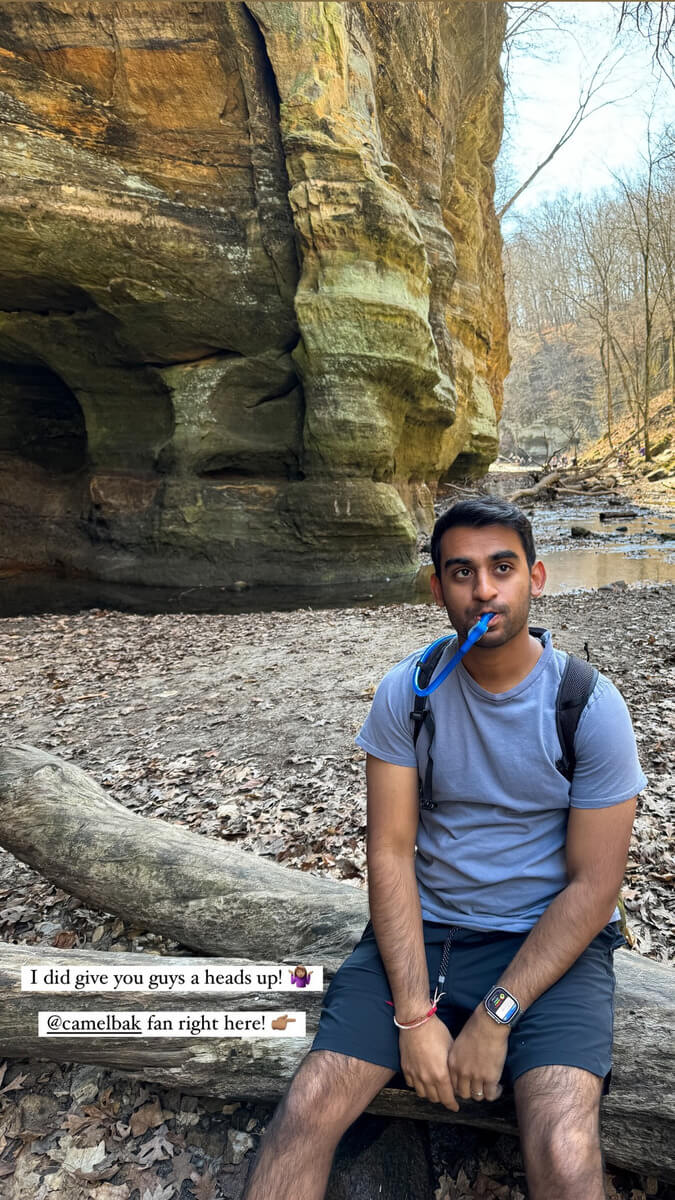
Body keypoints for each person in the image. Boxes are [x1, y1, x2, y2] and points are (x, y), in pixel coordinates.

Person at [242, 497, 646, 1200]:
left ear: (536, 577)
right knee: (306, 1111)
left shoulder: (587, 704)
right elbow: (390, 853)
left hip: (548, 943)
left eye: (501, 568)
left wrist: (494, 1016)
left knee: (563, 1145)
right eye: (461, 572)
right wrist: (412, 1015)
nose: (483, 590)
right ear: (437, 588)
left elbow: (594, 886)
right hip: (426, 933)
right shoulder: (408, 693)